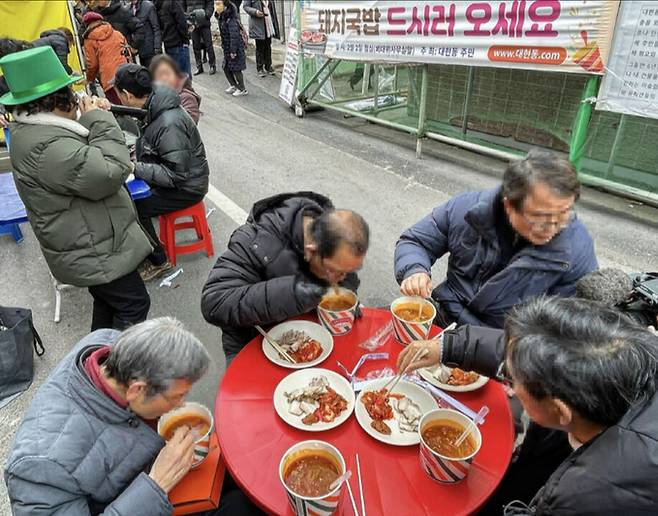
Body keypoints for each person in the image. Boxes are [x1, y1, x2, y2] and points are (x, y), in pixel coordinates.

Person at [398, 296, 658, 514]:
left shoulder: (587, 497)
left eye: (511, 379)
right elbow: (530, 349)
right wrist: (449, 346)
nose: (507, 380)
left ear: (559, 411)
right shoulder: (625, 360)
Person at [4, 318, 263, 515]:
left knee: (251, 473)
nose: (180, 406)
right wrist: (157, 484)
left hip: (154, 477)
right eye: (175, 398)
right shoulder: (38, 468)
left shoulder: (109, 343)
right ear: (137, 389)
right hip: (147, 499)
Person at [0, 47, 151, 330]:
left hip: (88, 241)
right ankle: (114, 368)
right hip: (91, 248)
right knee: (134, 303)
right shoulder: (47, 146)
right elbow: (111, 171)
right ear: (52, 102)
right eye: (69, 94)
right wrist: (98, 119)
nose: (76, 99)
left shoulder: (33, 131)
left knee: (109, 302)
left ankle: (95, 360)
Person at [394, 149, 598, 329]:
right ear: (509, 206)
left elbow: (563, 331)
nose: (553, 226)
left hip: (505, 348)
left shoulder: (576, 251)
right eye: (539, 216)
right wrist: (414, 270)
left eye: (563, 213)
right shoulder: (466, 210)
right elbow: (416, 242)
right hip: (445, 315)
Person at [201, 192, 370, 363]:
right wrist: (299, 291)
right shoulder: (254, 241)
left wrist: (345, 301)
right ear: (311, 251)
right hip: (251, 340)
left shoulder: (334, 237)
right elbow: (214, 303)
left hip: (309, 333)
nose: (339, 279)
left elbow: (344, 276)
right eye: (335, 272)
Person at [113, 64, 210, 281]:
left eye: (118, 94)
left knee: (134, 204)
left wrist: (134, 168)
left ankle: (159, 260)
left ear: (127, 95)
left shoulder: (169, 122)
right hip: (178, 177)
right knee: (129, 194)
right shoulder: (154, 104)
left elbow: (176, 175)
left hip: (188, 187)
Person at [82, 11, 131, 103]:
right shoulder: (117, 33)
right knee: (132, 104)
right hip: (126, 72)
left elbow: (92, 64)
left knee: (119, 108)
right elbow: (128, 53)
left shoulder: (89, 40)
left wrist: (90, 79)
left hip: (109, 78)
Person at [150, 53, 201, 123]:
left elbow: (187, 125)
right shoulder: (154, 97)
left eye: (167, 73)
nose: (164, 78)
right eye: (159, 75)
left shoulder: (187, 97)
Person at [155, 0, 191, 77]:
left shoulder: (159, 5)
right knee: (185, 78)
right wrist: (186, 39)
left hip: (168, 44)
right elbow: (181, 22)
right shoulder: (173, 2)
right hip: (178, 43)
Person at [218, 0, 247, 96]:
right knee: (226, 67)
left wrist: (233, 51)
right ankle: (233, 85)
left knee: (236, 68)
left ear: (225, 6)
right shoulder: (222, 17)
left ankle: (242, 88)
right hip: (227, 47)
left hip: (235, 48)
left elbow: (234, 36)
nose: (216, 6)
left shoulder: (231, 18)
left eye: (218, 4)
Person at [243, 0, 279, 77]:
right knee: (260, 47)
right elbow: (245, 7)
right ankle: (260, 68)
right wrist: (255, 12)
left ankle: (268, 66)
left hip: (268, 24)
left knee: (268, 46)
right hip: (258, 24)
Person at [184, 0, 216, 75]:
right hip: (192, 22)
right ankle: (199, 67)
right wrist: (186, 15)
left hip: (204, 21)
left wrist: (207, 15)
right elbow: (182, 4)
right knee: (196, 46)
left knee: (208, 45)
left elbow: (210, 3)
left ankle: (212, 65)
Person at [131, 0, 162, 67]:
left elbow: (156, 28)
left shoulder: (148, 6)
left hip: (151, 50)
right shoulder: (129, 9)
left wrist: (157, 48)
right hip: (140, 50)